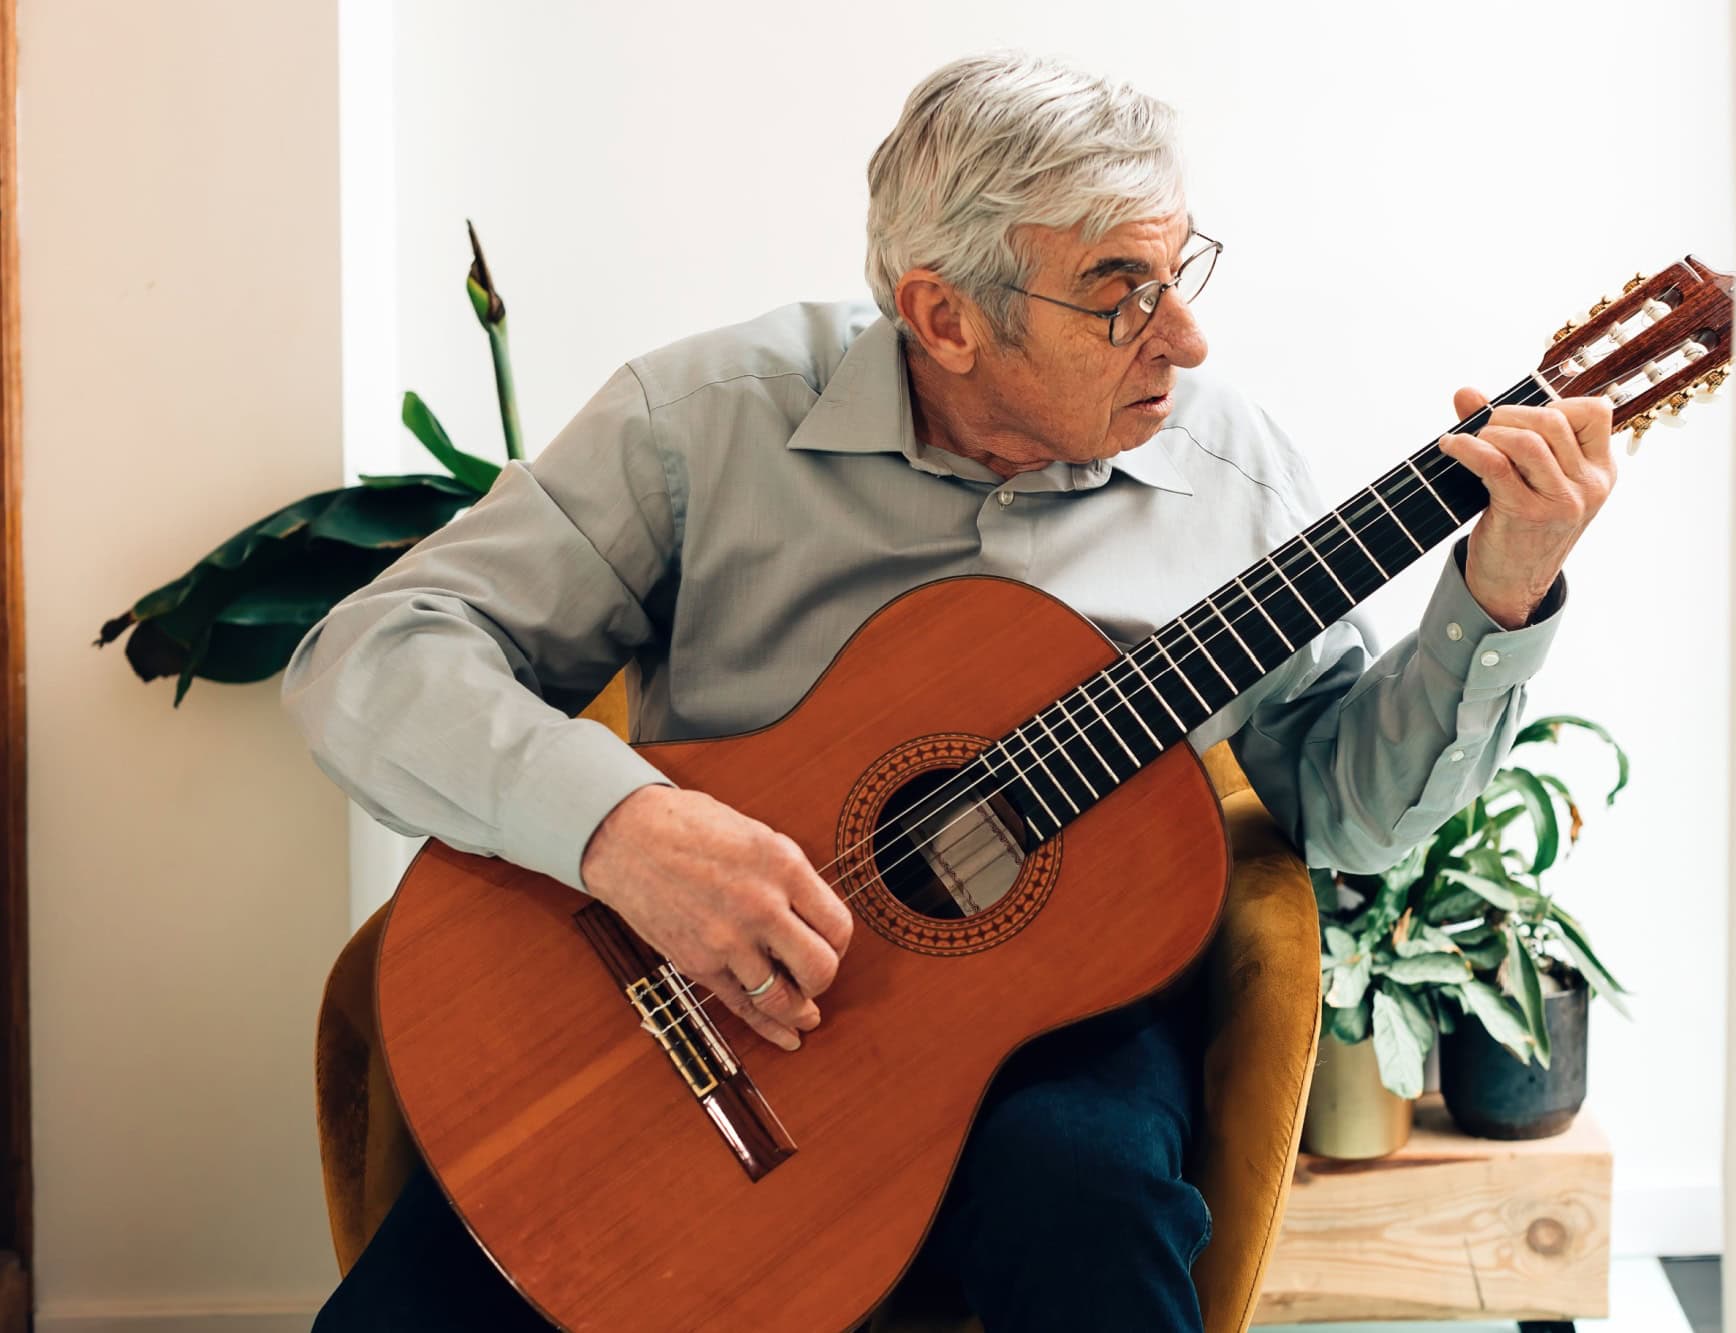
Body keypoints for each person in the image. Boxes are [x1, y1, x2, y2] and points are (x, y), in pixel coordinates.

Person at [285, 49, 1612, 1333]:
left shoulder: (1236, 479)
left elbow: (1346, 812)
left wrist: (1499, 596)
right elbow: (372, 656)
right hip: (678, 990)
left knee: (1089, 1207)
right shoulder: (703, 418)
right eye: (1121, 290)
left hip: (1057, 1022)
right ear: (942, 316)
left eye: (1182, 266)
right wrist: (627, 832)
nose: (1188, 337)